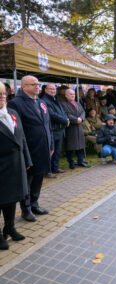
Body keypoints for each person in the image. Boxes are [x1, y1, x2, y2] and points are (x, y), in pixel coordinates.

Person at [8, 75, 53, 222]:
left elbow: (47, 125)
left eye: (38, 84)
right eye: (33, 84)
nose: (37, 86)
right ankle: (26, 209)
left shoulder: (41, 102)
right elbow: (17, 130)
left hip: (43, 147)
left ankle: (34, 204)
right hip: (29, 149)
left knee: (39, 176)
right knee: (27, 180)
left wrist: (51, 144)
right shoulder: (16, 103)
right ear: (24, 86)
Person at [0, 82, 32, 249]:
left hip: (16, 163)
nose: (3, 97)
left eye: (4, 93)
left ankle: (10, 227)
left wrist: (27, 159)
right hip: (1, 166)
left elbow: (22, 138)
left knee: (12, 198)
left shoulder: (12, 113)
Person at [42, 83, 69, 176]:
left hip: (59, 129)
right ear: (45, 90)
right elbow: (52, 114)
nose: (53, 91)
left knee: (57, 150)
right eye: (50, 89)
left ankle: (55, 167)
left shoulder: (55, 99)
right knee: (51, 151)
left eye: (54, 89)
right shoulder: (44, 100)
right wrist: (65, 121)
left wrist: (66, 119)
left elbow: (62, 112)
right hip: (52, 129)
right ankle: (48, 171)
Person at [61, 89, 90, 169]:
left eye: (73, 94)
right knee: (70, 146)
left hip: (79, 127)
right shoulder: (63, 104)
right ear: (66, 95)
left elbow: (83, 112)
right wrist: (75, 120)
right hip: (70, 128)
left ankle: (80, 160)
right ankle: (71, 162)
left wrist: (81, 118)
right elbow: (66, 114)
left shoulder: (77, 103)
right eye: (70, 94)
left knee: (80, 145)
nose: (73, 95)